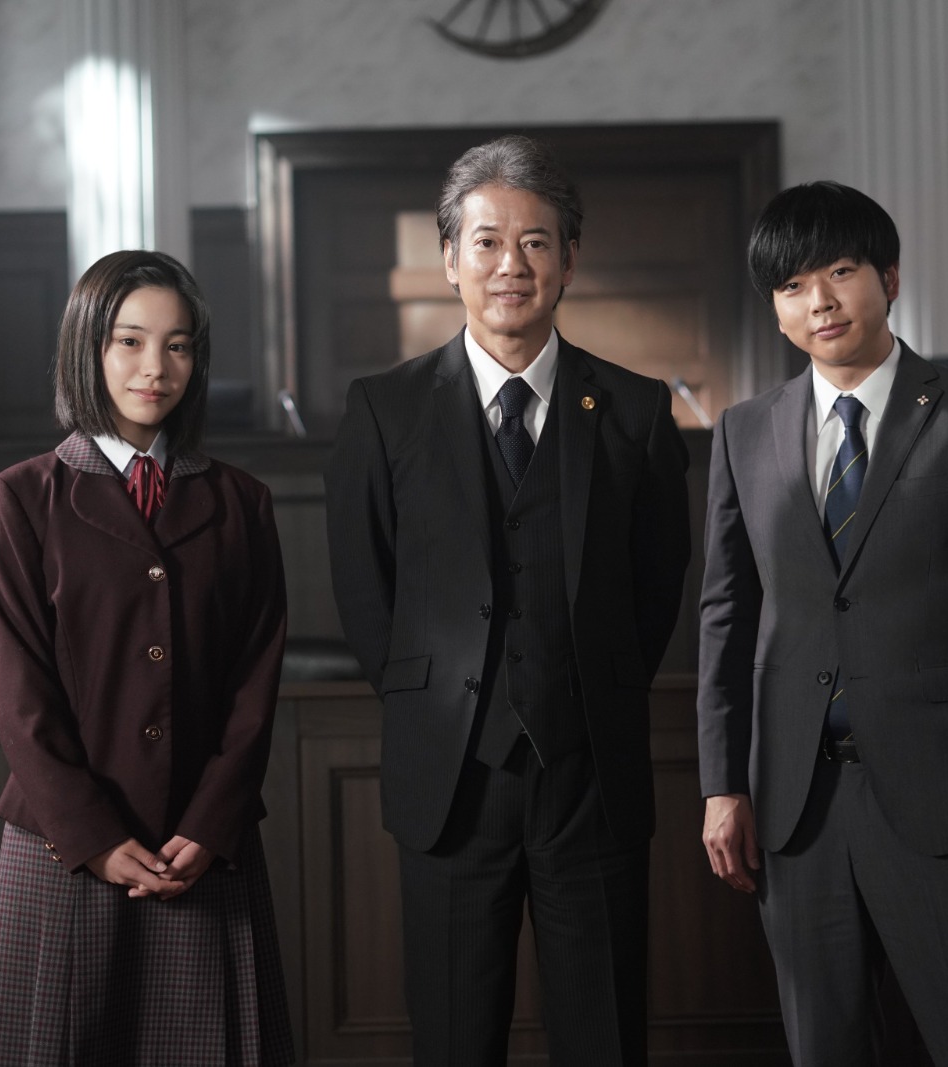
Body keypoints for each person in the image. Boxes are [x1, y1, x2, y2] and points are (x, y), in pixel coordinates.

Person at [325, 135, 691, 1066]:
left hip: (591, 778)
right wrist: (439, 701)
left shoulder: (637, 411)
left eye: (535, 242)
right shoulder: (384, 410)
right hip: (451, 782)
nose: (510, 265)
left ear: (570, 259)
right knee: (454, 1040)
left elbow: (658, 588)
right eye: (487, 242)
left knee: (605, 1039)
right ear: (450, 258)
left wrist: (587, 686)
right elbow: (368, 594)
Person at [697, 181, 948, 1065]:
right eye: (792, 286)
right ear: (775, 308)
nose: (818, 301)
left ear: (888, 278)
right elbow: (726, 618)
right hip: (797, 812)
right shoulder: (744, 431)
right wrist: (722, 784)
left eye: (839, 272)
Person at [0, 250, 294, 1066]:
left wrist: (211, 822)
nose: (156, 367)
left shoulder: (242, 503)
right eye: (130, 341)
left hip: (199, 846)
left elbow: (255, 683)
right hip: (66, 848)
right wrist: (91, 835)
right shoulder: (22, 499)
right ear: (88, 348)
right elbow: (20, 697)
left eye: (178, 345)